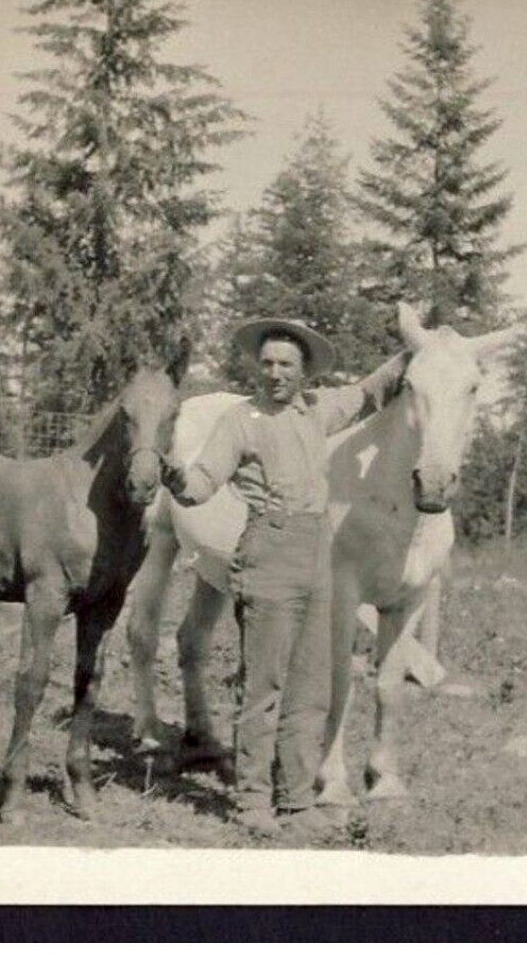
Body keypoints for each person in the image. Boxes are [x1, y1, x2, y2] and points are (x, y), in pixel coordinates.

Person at [163, 318, 406, 838]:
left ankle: (296, 800)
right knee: (264, 685)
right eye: (267, 363)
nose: (275, 373)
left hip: (317, 553)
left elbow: (369, 392)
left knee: (312, 684)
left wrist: (421, 351)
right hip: (267, 550)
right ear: (258, 366)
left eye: (286, 365)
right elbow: (204, 481)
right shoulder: (240, 419)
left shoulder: (318, 412)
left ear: (303, 373)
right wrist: (180, 482)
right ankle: (252, 801)